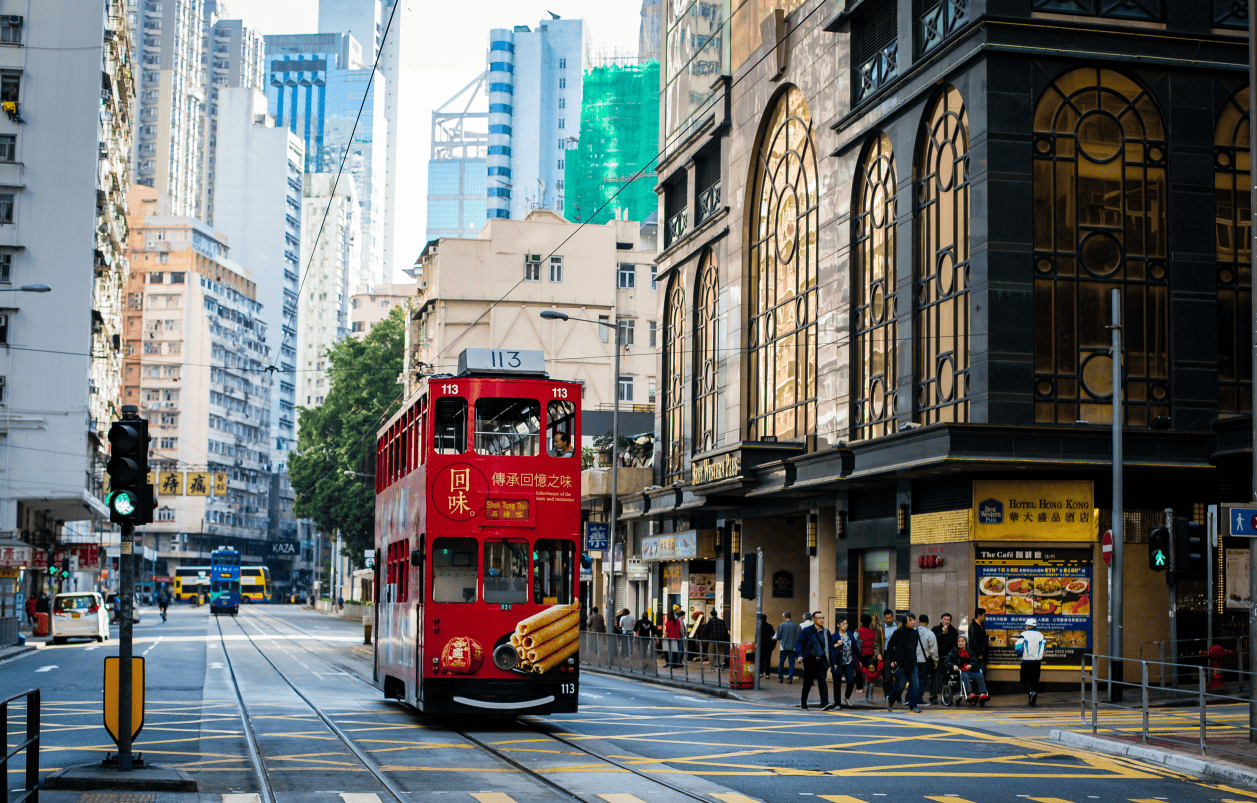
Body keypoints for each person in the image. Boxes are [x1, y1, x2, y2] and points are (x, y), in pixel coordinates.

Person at [796, 611, 833, 710]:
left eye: (822, 618)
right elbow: (799, 643)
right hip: (809, 660)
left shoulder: (826, 632)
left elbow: (830, 646)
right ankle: (803, 702)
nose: (821, 620)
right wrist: (799, 655)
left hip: (821, 661)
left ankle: (824, 703)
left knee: (822, 681)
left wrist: (832, 662)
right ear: (813, 620)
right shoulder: (807, 631)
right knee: (807, 682)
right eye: (819, 618)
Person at [885, 613, 922, 713]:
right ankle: (891, 700)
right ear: (905, 621)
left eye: (914, 620)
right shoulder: (898, 632)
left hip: (912, 664)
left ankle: (913, 706)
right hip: (900, 664)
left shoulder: (915, 633)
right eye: (910, 620)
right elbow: (889, 645)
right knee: (900, 686)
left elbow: (914, 648)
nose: (913, 622)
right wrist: (892, 659)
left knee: (915, 685)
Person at [945, 635, 990, 704]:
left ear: (966, 642)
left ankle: (982, 694)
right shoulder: (954, 651)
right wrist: (953, 666)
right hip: (959, 673)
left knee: (980, 675)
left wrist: (971, 665)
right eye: (959, 641)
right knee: (965, 675)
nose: (960, 643)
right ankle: (970, 694)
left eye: (962, 641)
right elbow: (946, 661)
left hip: (970, 672)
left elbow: (976, 662)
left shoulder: (970, 652)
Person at [1015, 617, 1046, 706]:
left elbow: (1018, 648)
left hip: (1027, 661)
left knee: (1024, 680)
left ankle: (1031, 692)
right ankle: (1031, 700)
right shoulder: (1040, 635)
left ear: (1028, 626)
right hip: (1037, 662)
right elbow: (1044, 648)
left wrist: (1021, 655)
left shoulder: (1023, 634)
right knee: (1034, 681)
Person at [831, 616, 860, 708]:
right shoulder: (834, 636)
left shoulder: (850, 634)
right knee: (837, 684)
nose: (845, 626)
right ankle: (837, 703)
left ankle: (847, 697)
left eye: (846, 624)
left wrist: (860, 659)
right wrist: (836, 645)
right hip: (838, 663)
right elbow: (830, 650)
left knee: (851, 681)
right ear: (838, 625)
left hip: (848, 662)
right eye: (843, 624)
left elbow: (855, 648)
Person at [932, 613, 960, 705]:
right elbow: (933, 643)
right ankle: (934, 697)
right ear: (941, 620)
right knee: (936, 678)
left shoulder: (954, 631)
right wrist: (941, 634)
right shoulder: (935, 629)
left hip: (949, 660)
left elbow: (956, 645)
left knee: (947, 679)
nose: (946, 621)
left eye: (948, 620)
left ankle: (947, 697)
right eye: (945, 619)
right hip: (938, 658)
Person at [915, 614, 938, 707]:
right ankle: (918, 698)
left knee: (913, 679)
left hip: (913, 660)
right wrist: (935, 661)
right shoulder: (930, 634)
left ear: (919, 621)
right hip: (924, 660)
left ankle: (910, 698)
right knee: (922, 680)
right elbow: (934, 649)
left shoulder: (913, 632)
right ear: (927, 622)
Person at [856, 614, 878, 701]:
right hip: (870, 655)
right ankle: (869, 686)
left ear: (861, 622)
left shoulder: (858, 631)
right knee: (869, 671)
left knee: (859, 671)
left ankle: (859, 688)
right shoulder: (873, 632)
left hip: (861, 655)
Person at [775, 611, 801, 683]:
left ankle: (780, 677)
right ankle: (790, 678)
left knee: (781, 662)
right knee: (791, 663)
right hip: (792, 647)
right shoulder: (795, 625)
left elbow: (778, 636)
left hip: (783, 647)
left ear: (784, 617)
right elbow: (798, 636)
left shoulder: (782, 625)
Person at [968, 607, 990, 672]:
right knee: (980, 672)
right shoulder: (973, 627)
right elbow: (973, 642)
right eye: (984, 615)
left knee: (983, 671)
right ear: (979, 616)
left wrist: (988, 638)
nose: (985, 617)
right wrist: (979, 654)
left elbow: (982, 637)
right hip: (977, 656)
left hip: (983, 654)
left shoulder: (981, 625)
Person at [758, 613, 776, 678]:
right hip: (768, 645)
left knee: (760, 659)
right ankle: (767, 674)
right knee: (768, 660)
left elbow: (756, 636)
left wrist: (756, 644)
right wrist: (773, 644)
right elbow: (774, 636)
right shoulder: (770, 626)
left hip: (761, 645)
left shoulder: (759, 626)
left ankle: (760, 672)